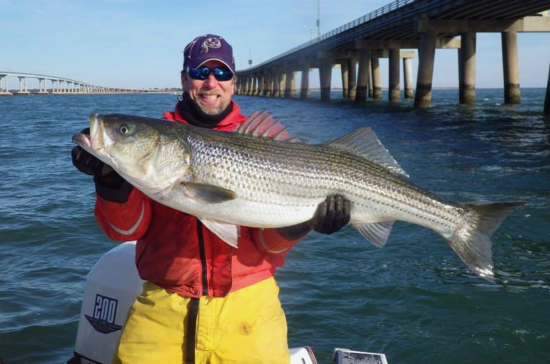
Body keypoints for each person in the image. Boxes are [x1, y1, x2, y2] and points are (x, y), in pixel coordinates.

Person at [72, 34, 351, 364]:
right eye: (199, 71)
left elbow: (269, 246)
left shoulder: (266, 142)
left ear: (233, 82)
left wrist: (302, 223)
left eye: (221, 74)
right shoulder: (156, 154)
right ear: (183, 78)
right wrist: (109, 184)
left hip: (251, 307)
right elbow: (124, 233)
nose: (210, 83)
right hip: (164, 305)